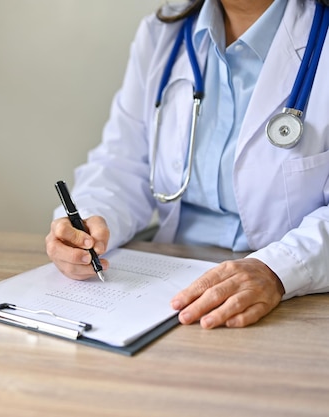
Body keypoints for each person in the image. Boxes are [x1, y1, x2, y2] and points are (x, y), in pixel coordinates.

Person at [46, 0, 329, 331]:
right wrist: (89, 224)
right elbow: (121, 163)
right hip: (165, 284)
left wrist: (279, 269)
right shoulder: (163, 33)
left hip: (292, 300)